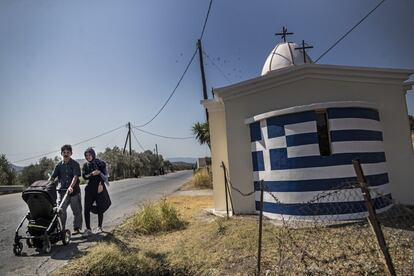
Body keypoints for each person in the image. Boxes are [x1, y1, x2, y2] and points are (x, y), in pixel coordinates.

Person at [50, 144, 83, 235]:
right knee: (60, 210)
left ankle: (77, 228)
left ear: (71, 153)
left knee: (77, 211)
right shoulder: (59, 166)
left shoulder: (75, 164)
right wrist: (46, 185)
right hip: (62, 192)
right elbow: (53, 177)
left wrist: (71, 186)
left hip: (74, 191)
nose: (66, 154)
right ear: (61, 153)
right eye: (64, 152)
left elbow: (75, 176)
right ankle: (62, 230)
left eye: (68, 152)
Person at [82, 148, 111, 236]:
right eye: (86, 155)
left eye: (89, 155)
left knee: (100, 207)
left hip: (99, 188)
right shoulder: (85, 165)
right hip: (89, 189)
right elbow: (84, 177)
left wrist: (101, 184)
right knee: (86, 209)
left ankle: (99, 227)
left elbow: (105, 175)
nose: (88, 157)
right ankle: (88, 229)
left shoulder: (100, 163)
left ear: (93, 154)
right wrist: (92, 174)